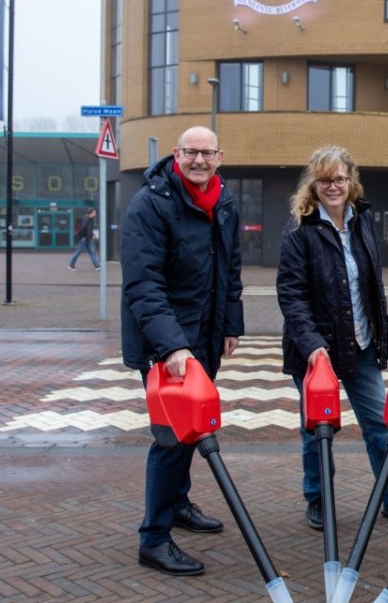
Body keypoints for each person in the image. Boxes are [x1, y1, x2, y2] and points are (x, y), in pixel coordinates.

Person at [276, 145, 388, 532]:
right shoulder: (299, 229)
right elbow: (291, 296)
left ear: (351, 182)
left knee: (381, 424)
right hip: (316, 352)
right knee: (317, 431)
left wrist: (380, 336)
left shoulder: (362, 219)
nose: (333, 186)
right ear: (313, 184)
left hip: (360, 344)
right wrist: (313, 346)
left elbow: (371, 285)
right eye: (324, 179)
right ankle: (318, 499)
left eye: (339, 179)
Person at [121, 125, 243, 577]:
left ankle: (177, 504)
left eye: (207, 153)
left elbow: (230, 269)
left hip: (206, 335)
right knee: (172, 437)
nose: (199, 160)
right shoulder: (150, 204)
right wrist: (172, 346)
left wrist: (230, 324)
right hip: (166, 344)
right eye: (191, 152)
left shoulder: (224, 201)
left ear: (219, 157)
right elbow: (143, 284)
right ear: (176, 154)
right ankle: (154, 538)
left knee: (192, 428)